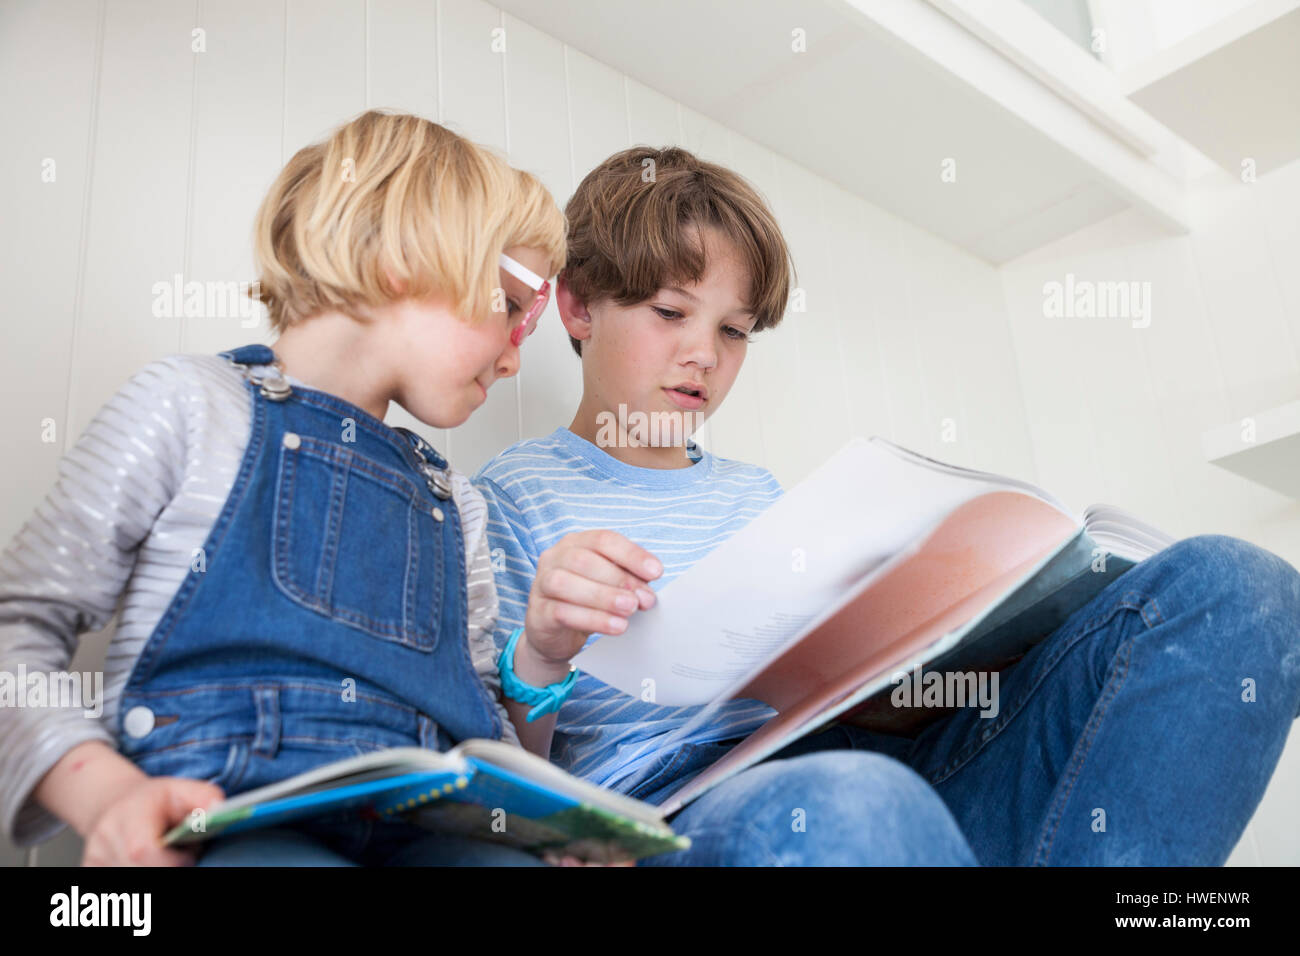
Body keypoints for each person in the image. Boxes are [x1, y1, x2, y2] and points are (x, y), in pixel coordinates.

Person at [473, 144, 1300, 865]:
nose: (704, 355)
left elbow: (871, 711)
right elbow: (499, 773)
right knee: (856, 796)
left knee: (1238, 590)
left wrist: (954, 651)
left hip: (890, 768)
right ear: (579, 305)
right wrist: (542, 652)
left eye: (735, 330)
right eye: (670, 313)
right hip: (704, 814)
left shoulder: (763, 498)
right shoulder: (513, 498)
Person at [0, 109, 566, 866]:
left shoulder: (453, 502)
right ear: (406, 254)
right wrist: (104, 796)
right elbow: (17, 633)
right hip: (225, 824)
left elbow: (480, 720)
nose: (512, 357)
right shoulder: (190, 405)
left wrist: (546, 828)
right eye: (514, 307)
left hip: (435, 832)